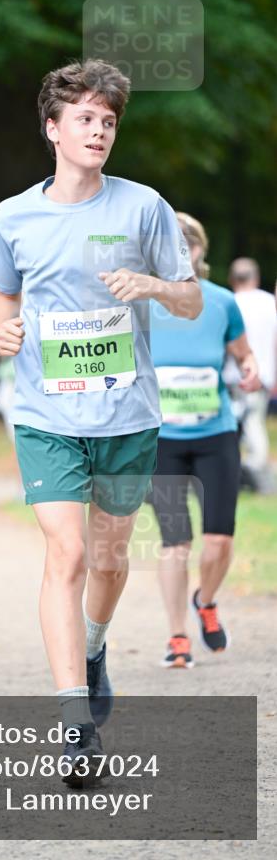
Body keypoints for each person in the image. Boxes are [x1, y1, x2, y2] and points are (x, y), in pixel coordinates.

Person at [0, 59, 202, 784]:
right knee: (66, 555)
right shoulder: (11, 216)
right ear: (52, 129)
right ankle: (74, 724)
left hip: (126, 413)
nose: (99, 130)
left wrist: (150, 284)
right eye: (85, 118)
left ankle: (95, 644)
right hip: (46, 412)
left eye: (108, 120)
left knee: (110, 560)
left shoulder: (142, 206)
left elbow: (191, 300)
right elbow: (1, 303)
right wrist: (0, 334)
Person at [150, 215, 259, 668]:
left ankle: (206, 600)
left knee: (219, 542)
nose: (179, 253)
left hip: (215, 434)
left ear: (199, 251)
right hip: (162, 441)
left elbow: (243, 352)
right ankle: (177, 637)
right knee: (175, 543)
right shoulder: (142, 303)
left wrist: (250, 367)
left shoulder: (221, 302)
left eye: (186, 245)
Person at [225, 257, 276, 493]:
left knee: (237, 426)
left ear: (232, 279)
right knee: (255, 423)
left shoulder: (229, 301)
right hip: (263, 375)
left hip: (233, 376)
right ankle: (255, 476)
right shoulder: (269, 303)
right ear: (255, 278)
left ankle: (247, 476)